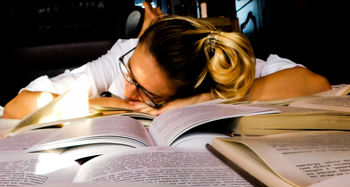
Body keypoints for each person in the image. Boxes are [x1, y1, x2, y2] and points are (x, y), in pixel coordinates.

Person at [3, 2, 330, 119]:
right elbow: (19, 106)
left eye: (149, 93)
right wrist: (110, 105)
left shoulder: (212, 67)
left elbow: (314, 83)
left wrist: (205, 99)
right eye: (130, 76)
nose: (129, 90)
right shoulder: (123, 55)